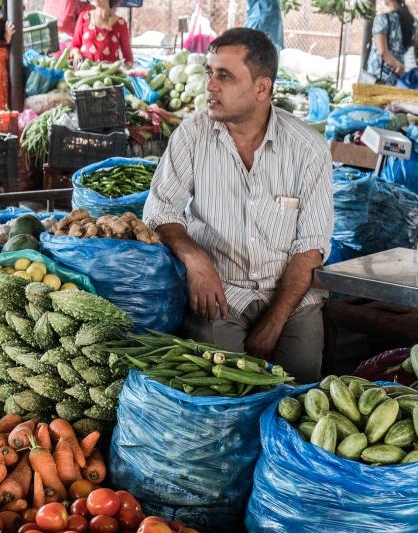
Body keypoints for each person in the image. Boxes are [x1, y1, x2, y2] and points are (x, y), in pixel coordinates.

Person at [143, 28, 333, 383]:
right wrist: (195, 259)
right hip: (221, 291)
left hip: (291, 299)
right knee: (223, 394)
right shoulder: (193, 133)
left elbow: (310, 248)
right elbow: (160, 210)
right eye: (209, 73)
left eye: (225, 76)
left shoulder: (308, 149)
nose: (211, 86)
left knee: (301, 396)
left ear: (262, 88)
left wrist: (275, 322)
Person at [362, 0, 416, 85]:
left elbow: (383, 52)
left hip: (378, 79)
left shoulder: (382, 19)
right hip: (401, 80)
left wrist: (399, 67)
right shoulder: (414, 23)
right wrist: (404, 70)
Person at [71, 0, 132, 64]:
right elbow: (75, 45)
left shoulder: (120, 23)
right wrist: (77, 54)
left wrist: (128, 70)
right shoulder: (83, 17)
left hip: (109, 73)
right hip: (85, 71)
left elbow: (128, 56)